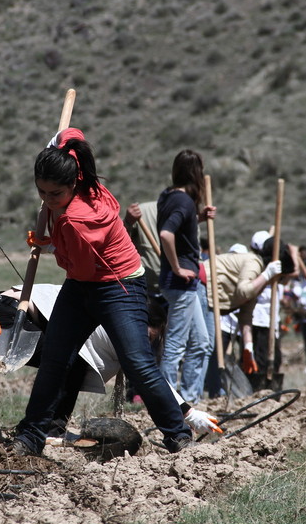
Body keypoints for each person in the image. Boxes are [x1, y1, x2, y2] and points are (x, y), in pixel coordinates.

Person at [12, 128, 196, 456]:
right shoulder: (78, 175)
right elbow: (73, 135)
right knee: (55, 358)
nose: (46, 200)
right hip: (82, 284)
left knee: (137, 362)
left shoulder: (77, 222)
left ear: (73, 184)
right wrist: (59, 142)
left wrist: (50, 241)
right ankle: (30, 436)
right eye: (41, 191)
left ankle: (178, 434)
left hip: (118, 285)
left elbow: (75, 266)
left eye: (54, 194)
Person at [0, 285, 221, 437]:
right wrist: (188, 413)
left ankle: (50, 428)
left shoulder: (117, 318)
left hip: (6, 311)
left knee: (73, 363)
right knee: (69, 361)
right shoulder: (118, 325)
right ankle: (45, 430)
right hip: (9, 314)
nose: (145, 342)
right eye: (148, 336)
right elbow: (147, 376)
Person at [156, 149, 216, 404]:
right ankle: (170, 402)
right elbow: (166, 234)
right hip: (180, 282)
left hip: (182, 284)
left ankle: (190, 399)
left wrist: (197, 219)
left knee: (202, 343)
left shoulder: (168, 197)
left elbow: (178, 231)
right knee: (176, 346)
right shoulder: (183, 202)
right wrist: (178, 268)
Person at [203, 242, 284, 394]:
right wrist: (267, 274)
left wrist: (248, 348)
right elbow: (244, 291)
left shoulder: (257, 283)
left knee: (217, 354)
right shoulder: (253, 264)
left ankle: (217, 393)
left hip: (229, 319)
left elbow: (246, 316)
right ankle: (203, 394)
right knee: (205, 348)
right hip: (208, 299)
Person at [248, 231, 298, 392]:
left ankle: (271, 387)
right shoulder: (258, 267)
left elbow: (292, 271)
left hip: (272, 321)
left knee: (275, 359)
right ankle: (260, 390)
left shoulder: (276, 270)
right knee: (262, 359)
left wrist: (292, 255)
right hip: (260, 320)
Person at [123, 201, 161, 297]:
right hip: (148, 288)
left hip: (179, 286)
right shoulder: (143, 211)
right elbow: (122, 241)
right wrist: (128, 222)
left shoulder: (184, 210)